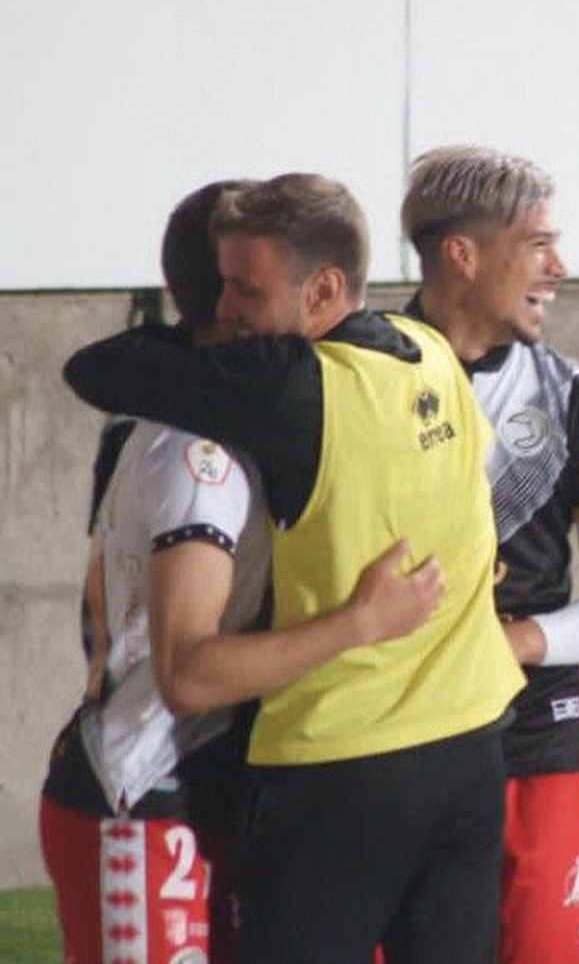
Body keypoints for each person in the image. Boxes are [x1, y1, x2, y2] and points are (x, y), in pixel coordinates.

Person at [62, 173, 526, 963]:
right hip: (471, 751)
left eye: (246, 290)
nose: (231, 309)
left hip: (342, 762)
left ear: (324, 290)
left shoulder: (287, 389)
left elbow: (94, 369)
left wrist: (204, 336)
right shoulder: (432, 353)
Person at [400, 145, 579, 964]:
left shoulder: (575, 394)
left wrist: (517, 641)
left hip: (534, 743)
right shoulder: (354, 375)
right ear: (462, 255)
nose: (560, 266)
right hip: (385, 748)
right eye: (538, 243)